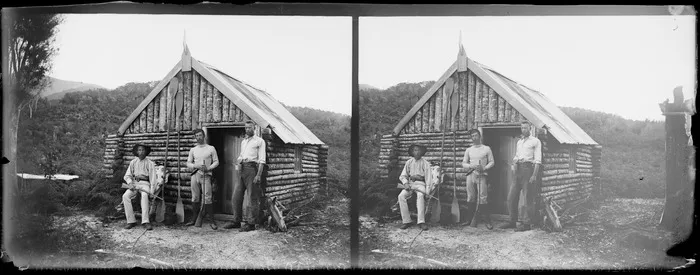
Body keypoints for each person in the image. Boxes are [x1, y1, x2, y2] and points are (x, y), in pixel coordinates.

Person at [224, 120, 266, 232]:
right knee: (236, 196)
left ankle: (251, 224)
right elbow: (242, 155)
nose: (247, 129)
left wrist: (258, 175)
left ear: (254, 128)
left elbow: (262, 160)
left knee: (252, 197)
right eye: (246, 128)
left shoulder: (260, 141)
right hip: (242, 169)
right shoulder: (244, 141)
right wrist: (239, 160)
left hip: (252, 169)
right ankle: (236, 221)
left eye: (250, 127)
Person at [500, 121, 542, 231]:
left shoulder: (535, 141)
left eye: (526, 128)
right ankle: (512, 221)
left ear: (530, 128)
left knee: (528, 198)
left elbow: (537, 160)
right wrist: (514, 162)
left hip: (528, 170)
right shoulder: (519, 142)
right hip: (517, 170)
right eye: (522, 128)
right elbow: (517, 156)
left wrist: (534, 175)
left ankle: (527, 224)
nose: (523, 130)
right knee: (511, 197)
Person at [186, 129, 220, 229]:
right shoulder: (193, 150)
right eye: (196, 136)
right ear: (195, 137)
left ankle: (211, 221)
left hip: (206, 175)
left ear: (204, 135)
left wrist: (208, 168)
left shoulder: (211, 148)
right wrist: (196, 165)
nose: (198, 137)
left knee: (207, 197)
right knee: (195, 197)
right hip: (195, 175)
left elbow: (216, 162)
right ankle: (194, 219)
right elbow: (188, 163)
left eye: (200, 135)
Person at [461, 129, 495, 229]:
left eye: (476, 135)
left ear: (480, 136)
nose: (474, 138)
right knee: (470, 196)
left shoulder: (486, 149)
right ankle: (469, 219)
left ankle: (487, 220)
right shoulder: (469, 150)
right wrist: (471, 166)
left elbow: (492, 162)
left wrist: (484, 168)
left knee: (482, 197)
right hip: (471, 175)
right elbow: (463, 163)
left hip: (482, 175)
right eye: (472, 136)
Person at [397, 144, 433, 230]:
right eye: (415, 150)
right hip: (410, 184)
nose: (417, 152)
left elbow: (428, 179)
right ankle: (406, 221)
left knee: (420, 195)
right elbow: (403, 176)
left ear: (422, 152)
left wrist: (427, 192)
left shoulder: (425, 163)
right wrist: (405, 183)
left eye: (418, 150)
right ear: (412, 152)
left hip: (421, 184)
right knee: (401, 196)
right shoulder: (409, 162)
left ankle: (421, 221)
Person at [122, 144, 157, 230]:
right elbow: (127, 176)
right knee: (125, 196)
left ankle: (145, 221)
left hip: (145, 184)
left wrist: (152, 191)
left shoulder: (150, 163)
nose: (141, 152)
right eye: (139, 150)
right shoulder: (133, 162)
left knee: (144, 195)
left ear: (146, 151)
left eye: (143, 150)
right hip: (134, 184)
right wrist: (130, 183)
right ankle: (131, 221)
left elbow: (153, 178)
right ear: (137, 152)